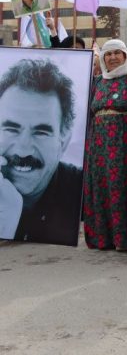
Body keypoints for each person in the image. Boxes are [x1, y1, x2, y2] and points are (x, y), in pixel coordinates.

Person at [0, 58, 82, 245]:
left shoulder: (82, 190)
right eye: (11, 129)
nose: (23, 150)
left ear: (64, 142)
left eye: (41, 132)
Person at [83, 40, 127, 251]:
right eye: (108, 54)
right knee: (100, 187)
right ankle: (103, 238)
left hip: (125, 144)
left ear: (125, 55)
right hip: (98, 146)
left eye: (117, 53)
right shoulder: (98, 82)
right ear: (103, 58)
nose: (113, 57)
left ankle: (126, 238)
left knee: (122, 187)